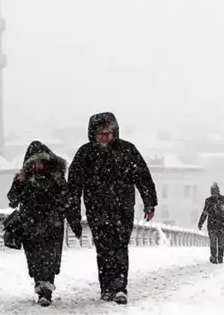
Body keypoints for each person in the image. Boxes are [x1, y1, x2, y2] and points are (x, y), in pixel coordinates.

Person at [67, 112, 157, 305]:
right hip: (97, 209)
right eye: (101, 134)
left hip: (122, 209)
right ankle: (106, 288)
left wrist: (150, 202)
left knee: (120, 247)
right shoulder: (85, 154)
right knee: (103, 248)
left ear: (114, 132)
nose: (105, 138)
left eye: (108, 133)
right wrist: (72, 211)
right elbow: (73, 186)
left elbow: (142, 177)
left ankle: (119, 287)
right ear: (93, 134)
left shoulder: (127, 150)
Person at [7, 140, 82, 307]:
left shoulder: (56, 178)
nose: (37, 165)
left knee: (49, 258)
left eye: (40, 161)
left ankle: (46, 290)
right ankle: (40, 286)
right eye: (33, 162)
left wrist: (74, 222)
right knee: (34, 259)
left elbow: (67, 201)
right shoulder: (24, 179)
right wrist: (19, 182)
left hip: (52, 225)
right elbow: (12, 200)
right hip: (30, 225)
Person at [198, 182, 224, 264]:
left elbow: (205, 213)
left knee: (214, 242)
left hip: (212, 225)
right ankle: (219, 257)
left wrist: (201, 223)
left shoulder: (209, 201)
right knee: (220, 241)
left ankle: (214, 257)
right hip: (221, 225)